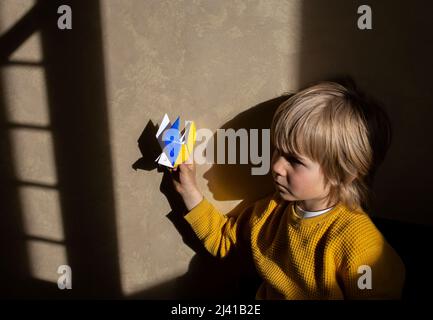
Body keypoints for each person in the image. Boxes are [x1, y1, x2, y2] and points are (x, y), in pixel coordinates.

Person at [170, 80, 405, 299]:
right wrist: (189, 190)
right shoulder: (271, 210)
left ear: (344, 173)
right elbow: (224, 242)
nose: (276, 166)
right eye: (277, 150)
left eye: (294, 160)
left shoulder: (359, 244)